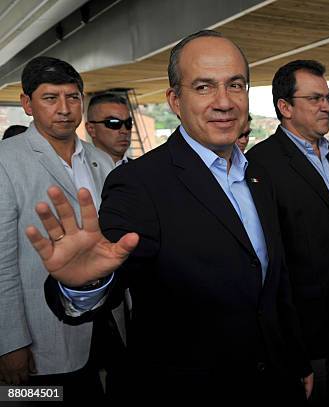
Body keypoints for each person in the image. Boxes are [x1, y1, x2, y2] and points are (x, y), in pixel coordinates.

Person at [26, 30, 312, 404]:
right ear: (175, 100)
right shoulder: (138, 182)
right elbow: (110, 275)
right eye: (204, 87)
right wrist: (83, 285)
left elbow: (277, 284)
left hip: (273, 383)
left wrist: (296, 360)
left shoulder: (260, 177)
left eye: (235, 85)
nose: (224, 102)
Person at [247, 59, 329, 407]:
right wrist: (290, 350)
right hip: (304, 335)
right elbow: (270, 263)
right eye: (315, 98)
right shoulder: (261, 165)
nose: (327, 106)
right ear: (285, 107)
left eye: (328, 97)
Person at [0, 56, 123, 400]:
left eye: (72, 97)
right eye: (50, 98)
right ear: (27, 103)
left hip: (105, 320)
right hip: (41, 337)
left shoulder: (101, 160)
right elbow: (2, 262)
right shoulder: (6, 162)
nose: (65, 108)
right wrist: (9, 342)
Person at [85, 93, 132, 166]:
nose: (124, 131)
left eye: (128, 123)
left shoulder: (145, 171)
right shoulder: (77, 170)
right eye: (113, 123)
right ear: (91, 129)